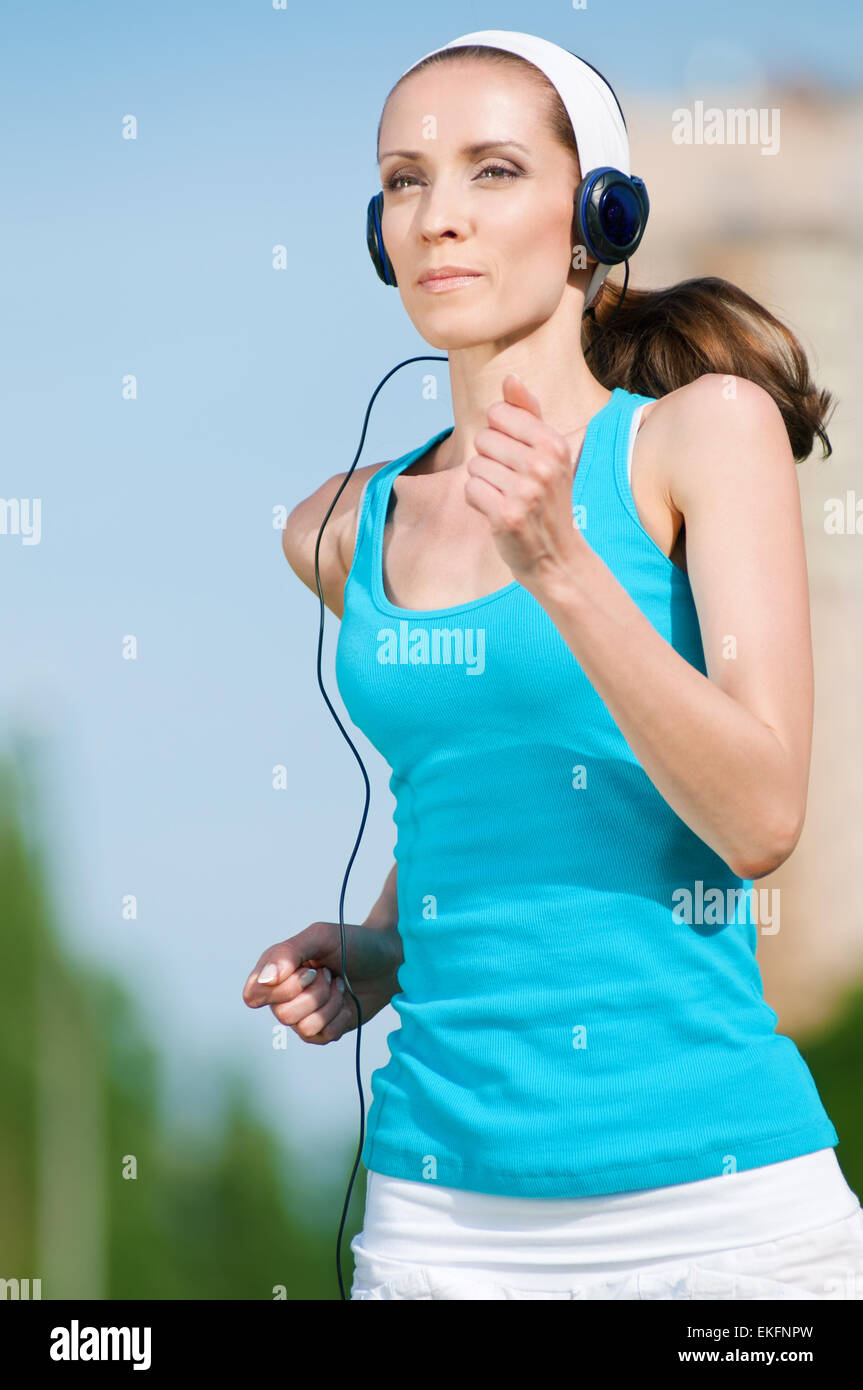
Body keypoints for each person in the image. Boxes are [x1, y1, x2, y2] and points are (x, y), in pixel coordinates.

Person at [242, 30, 863, 1300]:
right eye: (404, 180)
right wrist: (375, 953)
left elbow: (759, 814)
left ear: (595, 216)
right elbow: (497, 782)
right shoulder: (345, 526)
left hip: (719, 1214)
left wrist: (562, 567)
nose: (437, 219)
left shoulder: (699, 437)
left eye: (490, 171)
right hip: (437, 1221)